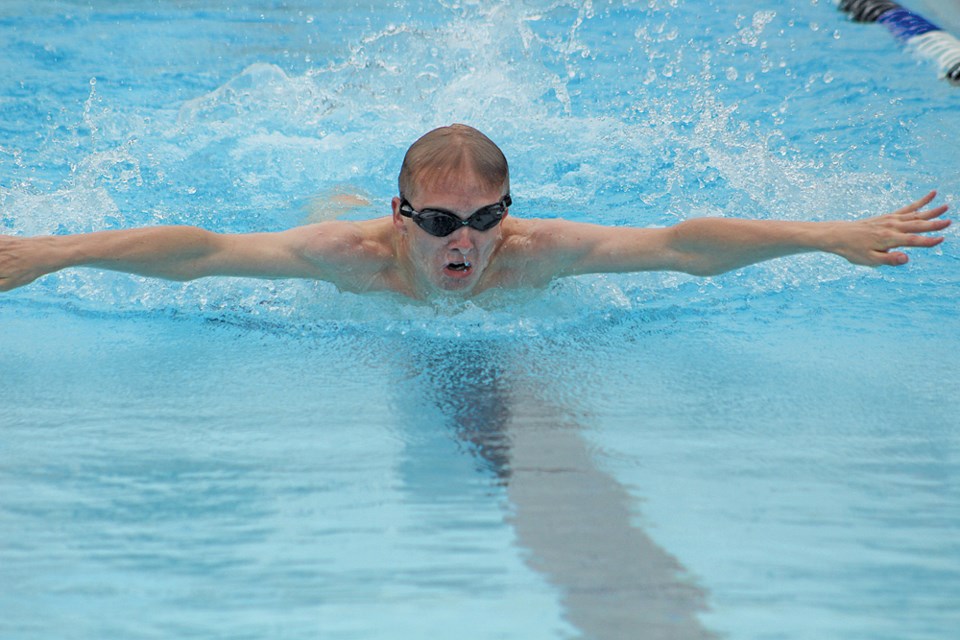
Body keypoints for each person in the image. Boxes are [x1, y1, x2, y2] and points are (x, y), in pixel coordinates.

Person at [0, 124, 951, 300]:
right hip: (340, 218)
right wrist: (50, 253)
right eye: (442, 223)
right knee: (311, 213)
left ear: (508, 211)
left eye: (484, 220)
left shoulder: (536, 252)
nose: (466, 244)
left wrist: (825, 235)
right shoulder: (354, 251)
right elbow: (204, 252)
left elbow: (680, 245)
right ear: (403, 214)